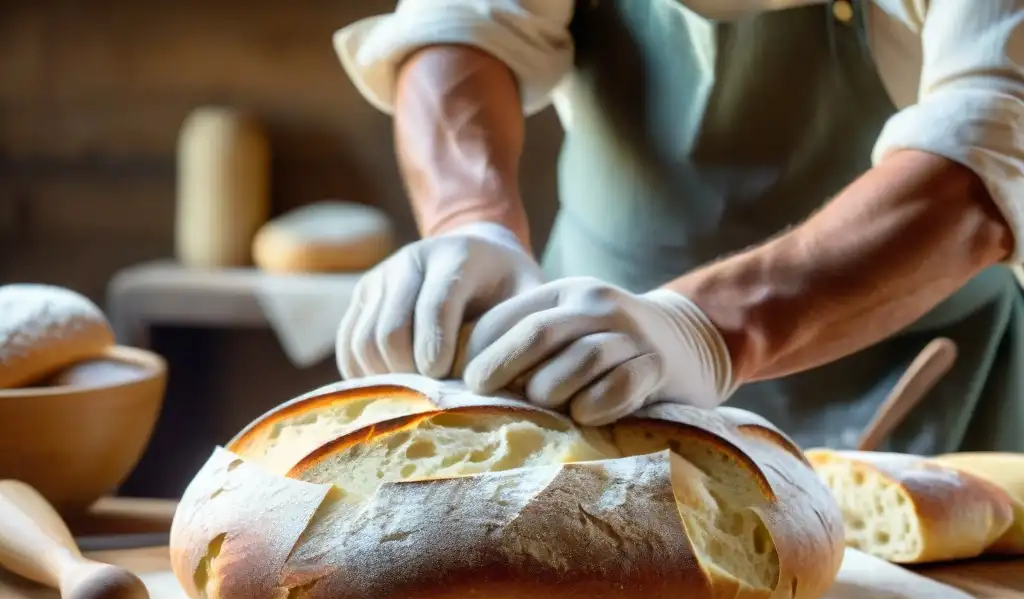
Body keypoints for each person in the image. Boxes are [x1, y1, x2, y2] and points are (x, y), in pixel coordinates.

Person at [332, 0, 1024, 454]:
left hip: (919, 386)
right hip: (583, 372)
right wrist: (472, 223)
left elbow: (987, 144)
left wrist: (708, 330)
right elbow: (461, 26)